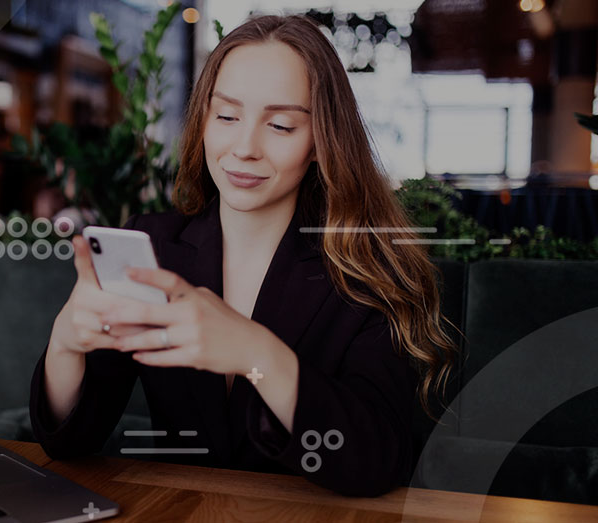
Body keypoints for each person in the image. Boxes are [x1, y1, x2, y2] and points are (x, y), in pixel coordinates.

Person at [29, 15, 458, 497]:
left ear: (320, 141)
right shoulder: (153, 249)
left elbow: (377, 463)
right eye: (227, 117)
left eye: (280, 125)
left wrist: (256, 355)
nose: (245, 148)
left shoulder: (364, 274)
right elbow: (71, 442)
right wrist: (66, 343)